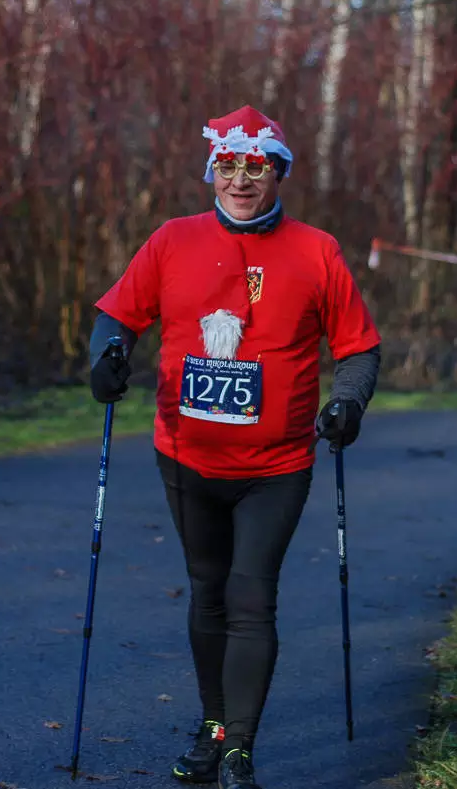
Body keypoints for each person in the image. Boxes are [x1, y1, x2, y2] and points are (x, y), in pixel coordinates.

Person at [87, 105, 381, 789]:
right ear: (211, 171)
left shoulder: (317, 250)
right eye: (229, 166)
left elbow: (359, 346)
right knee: (208, 591)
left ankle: (239, 748)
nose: (241, 179)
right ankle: (213, 723)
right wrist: (106, 359)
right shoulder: (171, 241)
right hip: (187, 455)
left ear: (278, 170)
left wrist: (348, 403)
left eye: (256, 167)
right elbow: (117, 317)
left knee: (253, 595)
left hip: (277, 465)